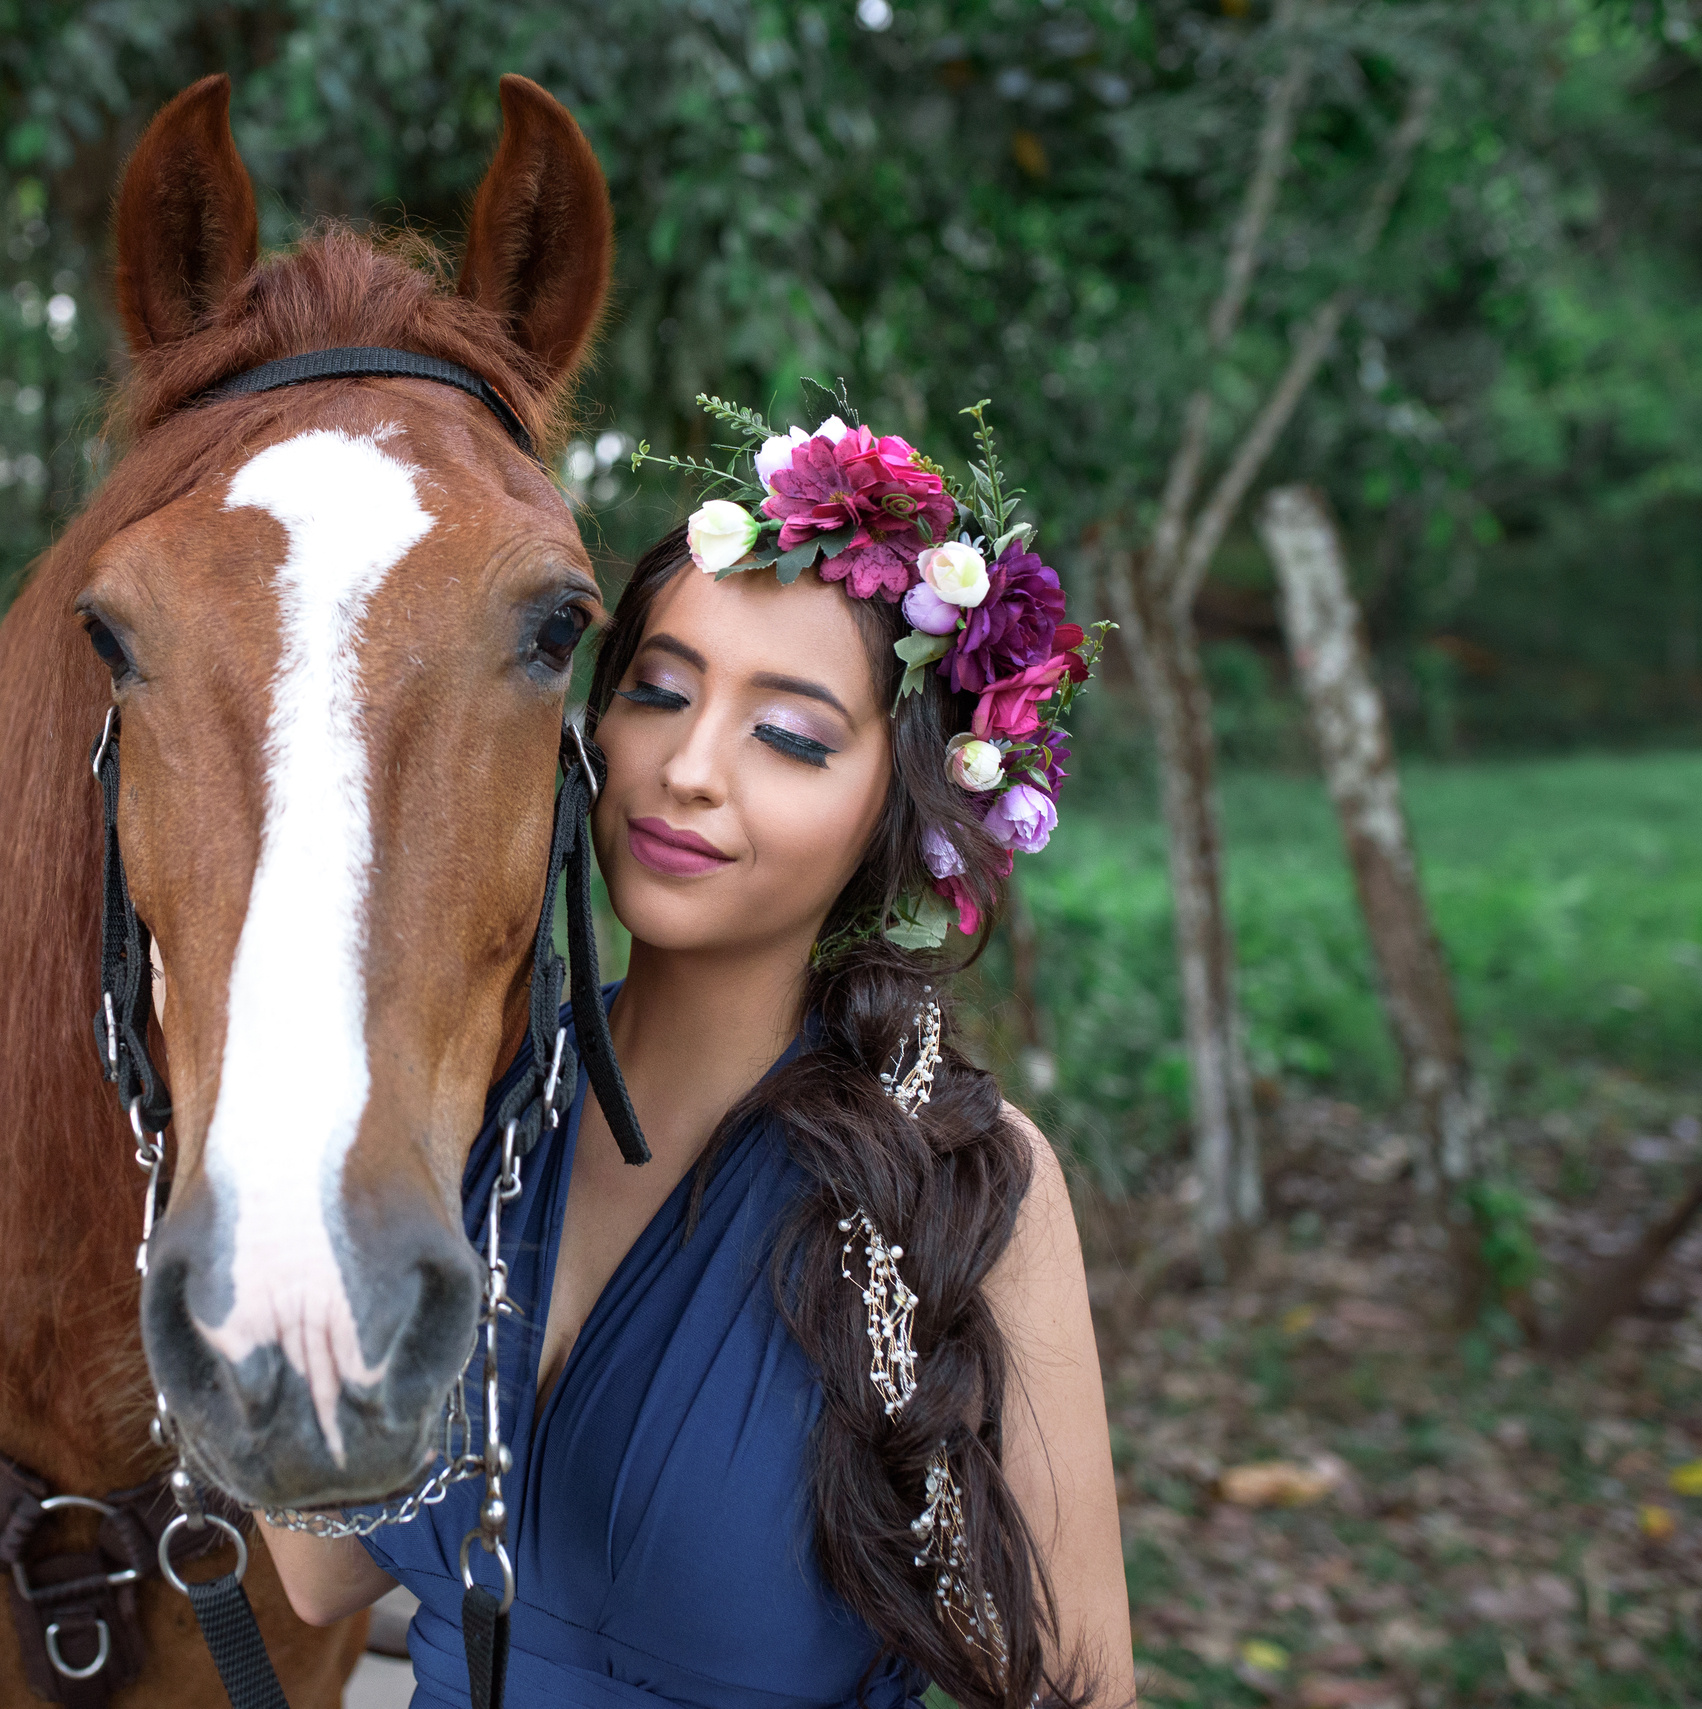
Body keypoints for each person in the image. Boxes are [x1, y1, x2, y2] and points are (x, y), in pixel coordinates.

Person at [260, 405, 1134, 1709]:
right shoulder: (478, 1103)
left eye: (788, 734)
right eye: (660, 691)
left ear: (893, 807)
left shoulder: (955, 1183)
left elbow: (1074, 1691)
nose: (688, 767)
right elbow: (319, 1569)